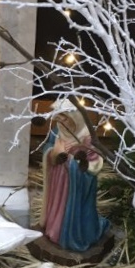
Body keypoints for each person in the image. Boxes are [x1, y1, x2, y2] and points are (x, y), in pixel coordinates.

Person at [40, 103, 110, 252]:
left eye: (64, 119)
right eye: (58, 118)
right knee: (58, 204)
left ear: (75, 117)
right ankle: (54, 229)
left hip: (75, 185)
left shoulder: (86, 137)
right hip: (58, 181)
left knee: (72, 209)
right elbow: (48, 149)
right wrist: (54, 152)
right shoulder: (56, 132)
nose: (61, 123)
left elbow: (92, 165)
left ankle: (72, 235)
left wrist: (71, 161)